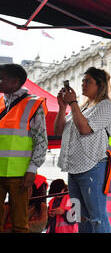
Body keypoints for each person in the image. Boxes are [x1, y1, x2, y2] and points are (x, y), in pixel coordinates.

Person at [54, 67, 111, 233]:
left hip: (93, 167)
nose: (83, 84)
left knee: (97, 217)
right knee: (80, 216)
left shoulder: (106, 106)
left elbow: (84, 129)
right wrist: (62, 107)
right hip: (73, 170)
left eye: (88, 81)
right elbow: (58, 130)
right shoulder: (82, 108)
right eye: (83, 80)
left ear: (100, 85)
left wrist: (72, 103)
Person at [0, 63, 48, 233]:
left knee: (20, 224)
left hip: (20, 176)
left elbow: (41, 140)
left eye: (1, 78)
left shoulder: (33, 104)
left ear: (15, 82)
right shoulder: (0, 102)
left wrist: (32, 170)